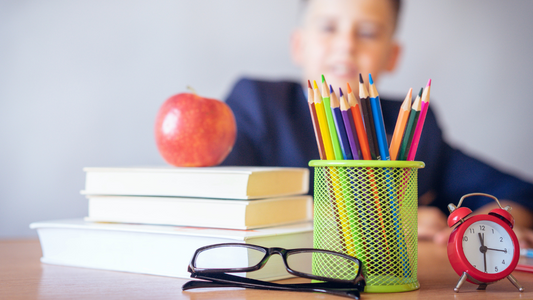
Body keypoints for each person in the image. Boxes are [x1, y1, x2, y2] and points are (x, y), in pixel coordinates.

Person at [220, 0, 533, 248]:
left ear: (392, 56)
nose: (346, 44)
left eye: (368, 32)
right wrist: (386, 222)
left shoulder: (412, 124)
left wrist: (492, 225)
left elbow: (517, 192)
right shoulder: (257, 103)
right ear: (298, 45)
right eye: (328, 27)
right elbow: (221, 198)